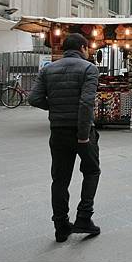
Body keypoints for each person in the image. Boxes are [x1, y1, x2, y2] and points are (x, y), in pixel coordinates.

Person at [28, 33, 101, 242]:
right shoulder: (89, 68)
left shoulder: (48, 69)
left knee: (60, 179)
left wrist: (56, 107)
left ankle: (61, 226)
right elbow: (86, 104)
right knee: (92, 171)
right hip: (82, 132)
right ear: (83, 48)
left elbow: (33, 98)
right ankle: (84, 218)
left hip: (58, 130)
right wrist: (83, 135)